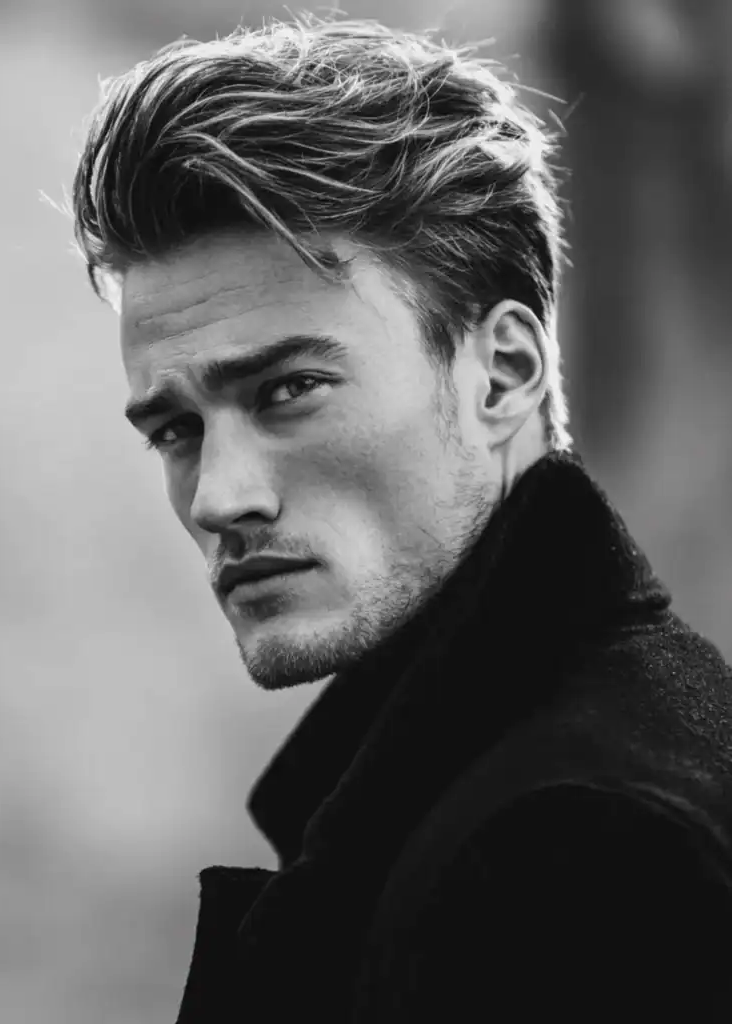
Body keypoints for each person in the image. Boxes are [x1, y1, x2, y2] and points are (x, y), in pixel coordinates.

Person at [70, 14, 732, 1023]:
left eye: (289, 388)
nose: (218, 498)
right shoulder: (500, 783)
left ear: (502, 370)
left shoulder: (579, 851)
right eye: (175, 429)